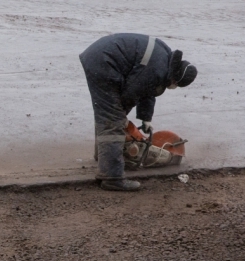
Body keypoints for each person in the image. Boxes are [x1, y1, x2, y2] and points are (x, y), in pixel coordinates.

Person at [79, 33, 197, 191]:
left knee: (108, 113)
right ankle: (112, 177)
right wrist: (122, 120)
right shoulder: (158, 69)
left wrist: (145, 118)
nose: (173, 86)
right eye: (175, 84)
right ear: (176, 78)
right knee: (113, 118)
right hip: (104, 62)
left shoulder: (165, 58)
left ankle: (103, 157)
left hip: (100, 56)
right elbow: (132, 92)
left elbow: (147, 89)